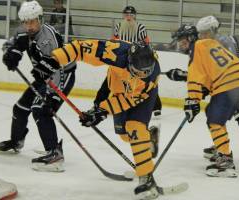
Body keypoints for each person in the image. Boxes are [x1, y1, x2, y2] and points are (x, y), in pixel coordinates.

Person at [35, 39, 161, 199]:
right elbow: (79, 48)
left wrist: (102, 111)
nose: (141, 75)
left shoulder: (151, 76)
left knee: (135, 128)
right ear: (129, 60)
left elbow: (129, 100)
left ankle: (146, 177)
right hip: (116, 85)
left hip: (143, 97)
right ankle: (149, 140)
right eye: (137, 71)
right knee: (124, 135)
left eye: (144, 72)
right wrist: (54, 60)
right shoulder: (115, 52)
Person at [0, 1, 76, 172]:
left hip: (62, 75)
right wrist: (11, 54)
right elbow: (10, 44)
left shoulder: (48, 38)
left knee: (41, 109)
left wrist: (52, 96)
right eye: (25, 21)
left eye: (32, 21)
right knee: (20, 109)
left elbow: (58, 68)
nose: (28, 25)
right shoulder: (24, 30)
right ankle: (16, 141)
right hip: (43, 76)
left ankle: (54, 153)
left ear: (40, 18)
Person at [174, 24, 239, 177]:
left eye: (183, 40)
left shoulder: (197, 49)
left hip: (228, 84)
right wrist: (198, 97)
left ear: (191, 38)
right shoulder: (208, 44)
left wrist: (192, 101)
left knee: (215, 120)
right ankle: (222, 151)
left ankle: (226, 161)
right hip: (238, 82)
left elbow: (195, 78)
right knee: (212, 114)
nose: (181, 44)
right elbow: (208, 77)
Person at [110, 5, 162, 117]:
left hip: (137, 58)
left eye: (131, 15)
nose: (128, 17)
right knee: (115, 81)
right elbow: (114, 41)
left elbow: (146, 42)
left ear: (135, 16)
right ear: (123, 15)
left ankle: (156, 107)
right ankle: (110, 104)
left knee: (146, 82)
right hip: (123, 57)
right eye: (126, 14)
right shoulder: (118, 26)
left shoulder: (141, 27)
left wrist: (150, 55)